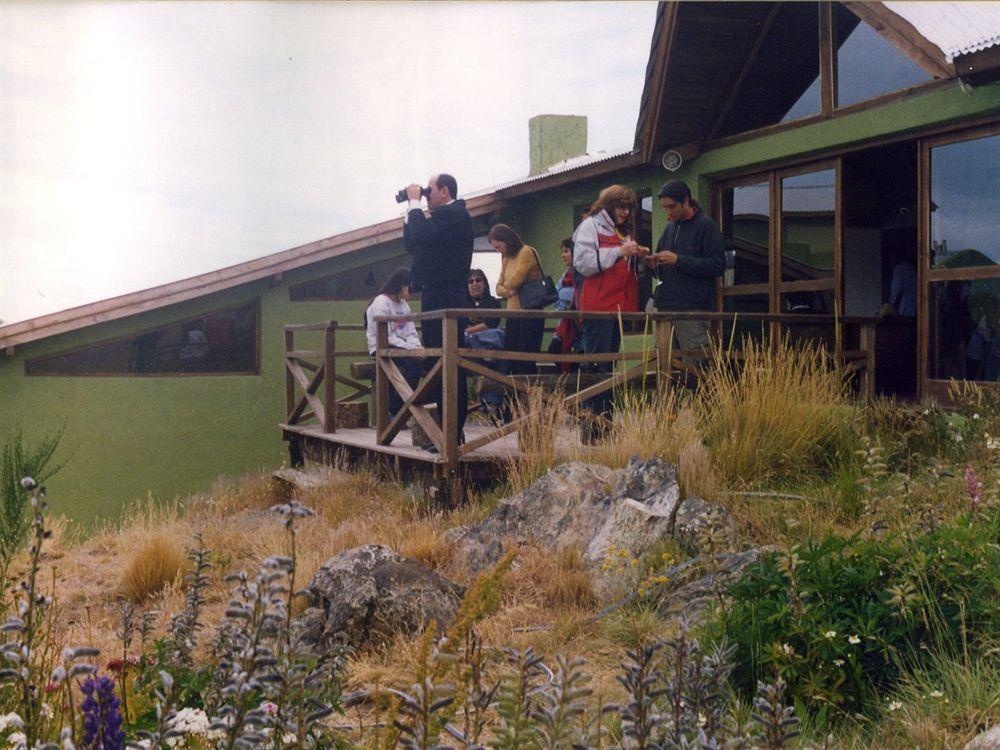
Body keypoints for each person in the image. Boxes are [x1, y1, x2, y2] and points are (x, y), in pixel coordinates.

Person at [403, 173, 474, 437]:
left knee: (449, 363)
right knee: (436, 362)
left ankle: (454, 432)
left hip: (448, 297)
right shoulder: (440, 220)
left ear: (444, 191)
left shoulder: (455, 213)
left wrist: (413, 205)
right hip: (434, 295)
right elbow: (413, 243)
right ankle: (446, 431)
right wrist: (409, 211)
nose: (425, 194)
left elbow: (420, 233)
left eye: (429, 190)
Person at [572, 184, 648, 431]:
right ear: (608, 206)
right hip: (598, 309)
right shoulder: (589, 227)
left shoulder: (620, 231)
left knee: (609, 368)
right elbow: (583, 264)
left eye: (628, 208)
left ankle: (604, 426)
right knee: (596, 367)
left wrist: (637, 253)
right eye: (621, 207)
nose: (626, 212)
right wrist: (619, 252)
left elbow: (619, 264)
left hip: (618, 309)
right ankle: (593, 428)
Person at [650, 180, 726, 365]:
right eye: (664, 208)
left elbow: (717, 265)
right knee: (666, 368)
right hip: (666, 308)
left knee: (695, 367)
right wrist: (651, 264)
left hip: (692, 310)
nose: (668, 212)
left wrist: (678, 260)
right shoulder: (669, 229)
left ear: (686, 201)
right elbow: (662, 273)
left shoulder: (706, 225)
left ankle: (702, 395)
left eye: (672, 206)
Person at [364, 267, 423, 418]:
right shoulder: (381, 303)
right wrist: (411, 350)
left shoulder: (404, 304)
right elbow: (386, 336)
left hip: (402, 346)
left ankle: (404, 407)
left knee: (427, 364)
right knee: (415, 366)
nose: (412, 289)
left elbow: (411, 331)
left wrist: (417, 346)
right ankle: (397, 409)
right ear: (400, 285)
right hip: (382, 346)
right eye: (409, 286)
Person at [492, 223, 545, 376]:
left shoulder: (526, 252)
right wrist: (508, 291)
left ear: (507, 240)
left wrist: (505, 289)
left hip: (529, 312)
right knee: (511, 359)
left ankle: (529, 397)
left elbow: (516, 279)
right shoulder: (507, 259)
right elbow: (498, 288)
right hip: (513, 314)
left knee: (525, 360)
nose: (498, 250)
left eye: (499, 246)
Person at [549, 238, 581, 373]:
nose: (563, 255)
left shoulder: (580, 273)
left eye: (566, 251)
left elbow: (574, 295)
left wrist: (564, 299)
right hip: (563, 323)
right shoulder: (566, 274)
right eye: (562, 252)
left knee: (574, 355)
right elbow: (554, 296)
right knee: (555, 350)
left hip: (575, 324)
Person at [464, 268, 503, 337]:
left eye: (478, 280)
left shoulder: (494, 303)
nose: (474, 283)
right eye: (470, 281)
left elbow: (491, 324)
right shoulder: (462, 303)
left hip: (488, 339)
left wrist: (468, 331)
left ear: (485, 284)